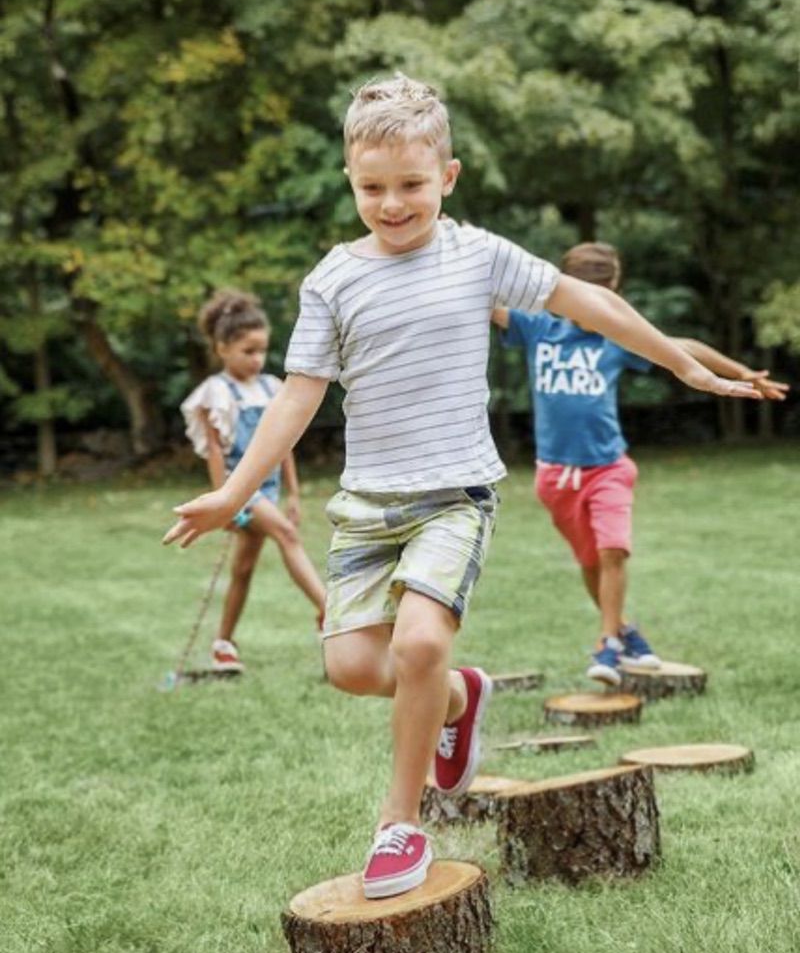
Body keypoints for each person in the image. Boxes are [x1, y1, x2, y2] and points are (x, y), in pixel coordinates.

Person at [163, 75, 760, 900]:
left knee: (416, 643)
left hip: (454, 495)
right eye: (373, 187)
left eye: (412, 184)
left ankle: (400, 823)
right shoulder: (331, 280)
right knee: (350, 666)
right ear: (350, 181)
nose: (393, 203)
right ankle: (457, 700)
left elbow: (582, 298)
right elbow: (298, 397)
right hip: (367, 506)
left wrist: (678, 357)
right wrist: (234, 494)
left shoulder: (477, 254)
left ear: (448, 175)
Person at [493, 242, 787, 685]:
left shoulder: (619, 338)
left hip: (608, 467)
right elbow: (487, 301)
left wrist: (740, 372)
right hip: (554, 476)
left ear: (613, 293)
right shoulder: (539, 329)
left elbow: (682, 346)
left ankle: (607, 645)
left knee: (613, 551)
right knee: (592, 564)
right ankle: (626, 633)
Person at [180, 289, 326, 672]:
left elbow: (284, 445)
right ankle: (329, 613)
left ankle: (223, 645)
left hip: (271, 489)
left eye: (262, 350)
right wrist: (223, 500)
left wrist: (293, 493)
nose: (258, 359)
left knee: (243, 569)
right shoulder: (216, 393)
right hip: (239, 488)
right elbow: (214, 451)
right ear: (222, 348)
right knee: (288, 537)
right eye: (248, 351)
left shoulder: (272, 388)